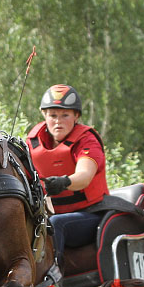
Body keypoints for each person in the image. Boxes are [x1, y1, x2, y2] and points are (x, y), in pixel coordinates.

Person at [26, 84, 109, 268]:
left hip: (91, 215)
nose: (58, 121)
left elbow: (84, 176)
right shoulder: (33, 142)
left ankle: (53, 278)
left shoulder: (87, 140)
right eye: (53, 115)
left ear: (76, 116)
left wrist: (64, 182)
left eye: (65, 115)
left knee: (56, 223)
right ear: (44, 115)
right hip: (52, 213)